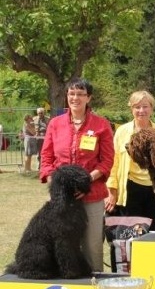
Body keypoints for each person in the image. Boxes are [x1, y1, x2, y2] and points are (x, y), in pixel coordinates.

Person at [40, 78, 115, 272]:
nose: (75, 98)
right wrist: (55, 185)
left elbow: (107, 160)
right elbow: (46, 158)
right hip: (61, 198)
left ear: (88, 98)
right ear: (67, 96)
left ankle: (95, 286)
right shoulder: (55, 124)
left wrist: (85, 182)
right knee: (63, 243)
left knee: (92, 247)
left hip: (92, 195)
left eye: (80, 94)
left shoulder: (101, 125)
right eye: (72, 93)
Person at [105, 90, 155, 231]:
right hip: (129, 188)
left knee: (151, 234)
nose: (141, 110)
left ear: (151, 108)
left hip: (154, 190)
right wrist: (112, 191)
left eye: (145, 106)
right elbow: (113, 163)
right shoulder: (122, 131)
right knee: (128, 234)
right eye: (137, 107)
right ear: (131, 109)